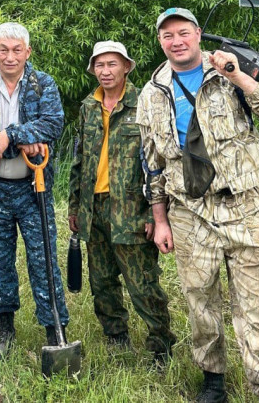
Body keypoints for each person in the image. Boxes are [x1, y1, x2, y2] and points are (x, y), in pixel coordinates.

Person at [136, 8, 259, 403]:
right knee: (201, 305)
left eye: (183, 32)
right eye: (167, 35)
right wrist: (160, 220)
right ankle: (213, 382)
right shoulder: (151, 93)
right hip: (188, 213)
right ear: (160, 42)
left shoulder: (229, 70)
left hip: (245, 208)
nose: (176, 41)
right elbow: (153, 164)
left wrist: (239, 76)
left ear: (198, 34)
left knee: (257, 309)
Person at [68, 40, 176, 366]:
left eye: (112, 64)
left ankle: (161, 346)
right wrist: (75, 207)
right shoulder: (88, 107)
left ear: (126, 67)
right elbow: (79, 161)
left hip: (132, 211)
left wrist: (155, 214)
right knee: (101, 282)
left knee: (143, 284)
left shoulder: (144, 103)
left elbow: (160, 162)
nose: (105, 71)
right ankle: (116, 337)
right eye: (99, 65)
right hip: (94, 209)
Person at [0, 22, 67, 361]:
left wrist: (8, 135)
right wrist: (22, 140)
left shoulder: (42, 84)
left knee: (44, 260)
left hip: (33, 188)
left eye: (17, 50)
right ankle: (5, 329)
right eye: (3, 50)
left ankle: (55, 329)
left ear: (27, 52)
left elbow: (53, 123)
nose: (10, 57)